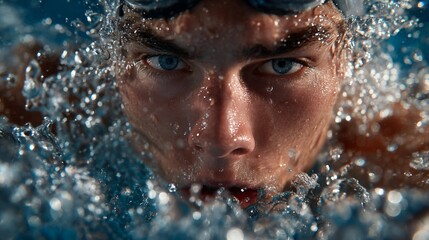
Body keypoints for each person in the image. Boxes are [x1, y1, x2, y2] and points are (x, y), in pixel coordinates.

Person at [1, 0, 428, 210]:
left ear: (347, 60)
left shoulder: (409, 171)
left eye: (282, 65)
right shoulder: (30, 113)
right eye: (165, 61)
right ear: (114, 59)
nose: (222, 138)